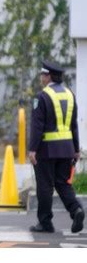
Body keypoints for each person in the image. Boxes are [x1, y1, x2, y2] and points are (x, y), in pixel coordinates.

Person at [28, 60, 84, 233]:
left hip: (46, 150)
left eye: (43, 75)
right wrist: (76, 149)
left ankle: (45, 223)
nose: (41, 78)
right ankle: (76, 210)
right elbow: (73, 125)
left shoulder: (42, 96)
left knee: (45, 185)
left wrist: (32, 149)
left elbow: (37, 126)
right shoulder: (70, 94)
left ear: (49, 76)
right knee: (63, 183)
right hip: (67, 149)